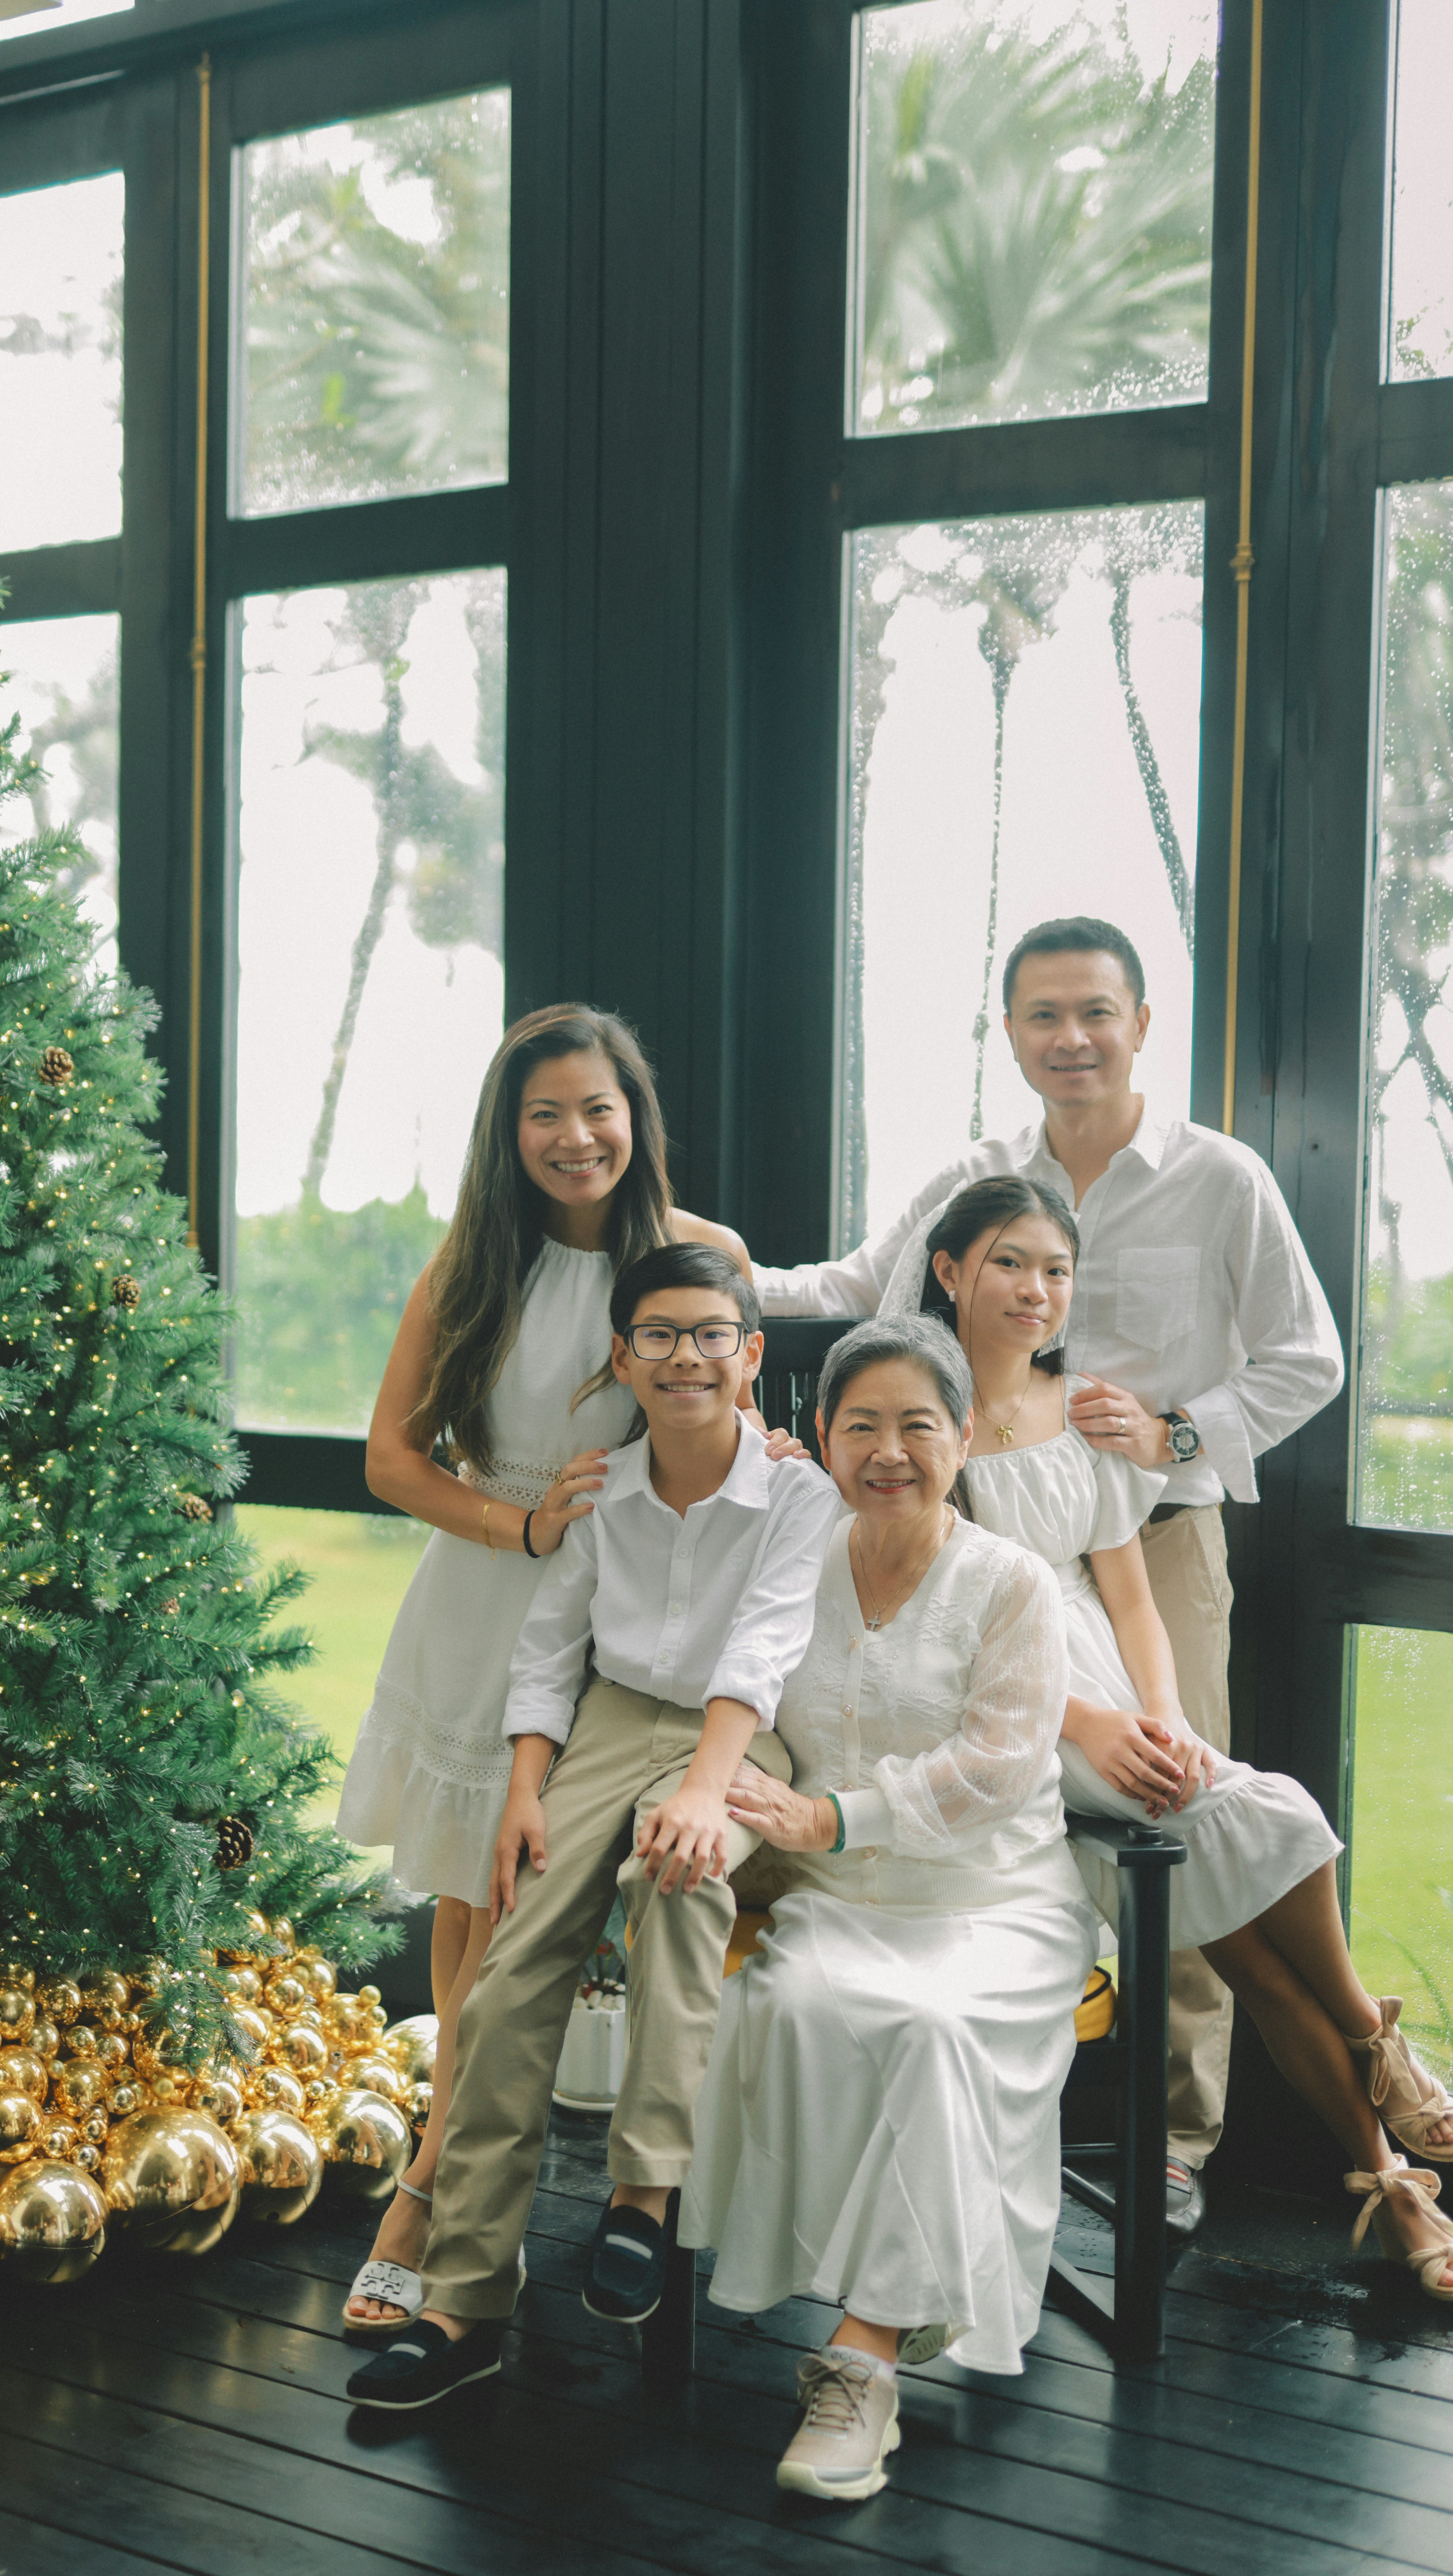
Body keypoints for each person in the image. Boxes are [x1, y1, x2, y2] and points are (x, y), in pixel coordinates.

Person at [752, 914, 1346, 2224]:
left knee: (1185, 1806)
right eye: (1042, 1016)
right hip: (977, 1542)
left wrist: (1179, 1427)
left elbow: (1308, 1357)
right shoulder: (977, 1175)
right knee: (1105, 1818)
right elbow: (858, 1282)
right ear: (1011, 1032)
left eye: (1096, 1013)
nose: (1071, 1039)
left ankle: (1178, 2141)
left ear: (1141, 1024)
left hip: (1144, 1542)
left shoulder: (1221, 1176)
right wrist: (719, 1279)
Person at [901, 1175, 1453, 2300]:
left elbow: (1136, 1600)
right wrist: (1089, 1722)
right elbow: (937, 1619)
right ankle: (1377, 2043)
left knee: (1246, 1942)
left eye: (1057, 1270)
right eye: (1010, 1262)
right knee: (1279, 1813)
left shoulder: (1086, 1415)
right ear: (951, 1269)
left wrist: (1162, 1715)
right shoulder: (918, 1417)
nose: (1037, 1290)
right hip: (1004, 1703)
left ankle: (1387, 2178)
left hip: (1105, 1675)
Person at [346, 1242, 840, 2409]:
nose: (685, 1358)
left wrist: (705, 1794)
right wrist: (526, 1787)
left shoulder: (795, 1493)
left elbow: (764, 1652)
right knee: (511, 1970)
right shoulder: (603, 1488)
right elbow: (547, 1651)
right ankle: (465, 2303)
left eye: (711, 1334)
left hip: (734, 1728)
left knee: (682, 1876)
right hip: (608, 1720)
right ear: (624, 1356)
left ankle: (643, 2194)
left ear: (751, 1353)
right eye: (658, 1337)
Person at [337, 1005, 750, 2331]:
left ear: (637, 1116)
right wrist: (518, 1523)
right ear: (508, 1136)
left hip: (632, 1629)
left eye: (598, 1109)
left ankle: (499, 2195)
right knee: (475, 1913)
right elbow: (391, 1461)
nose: (577, 1138)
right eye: (544, 1116)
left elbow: (737, 1428)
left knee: (540, 1925)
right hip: (484, 1599)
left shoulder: (704, 1260)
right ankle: (433, 2197)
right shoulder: (473, 1261)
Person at [682, 1314, 1100, 2502]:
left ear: (965, 1436)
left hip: (993, 1902)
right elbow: (743, 1701)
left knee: (928, 2030)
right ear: (820, 1438)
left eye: (919, 1423)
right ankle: (889, 2300)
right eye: (859, 1424)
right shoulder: (796, 1570)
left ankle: (863, 2361)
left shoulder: (1012, 1582)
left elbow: (1002, 1768)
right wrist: (734, 1800)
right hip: (835, 1898)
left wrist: (831, 1816)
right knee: (792, 2004)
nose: (889, 1450)